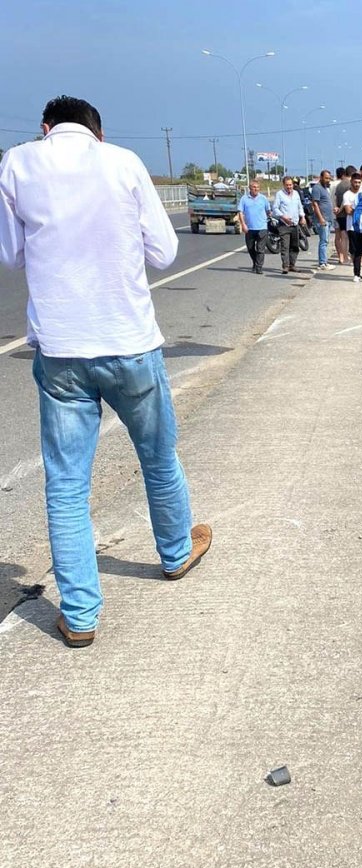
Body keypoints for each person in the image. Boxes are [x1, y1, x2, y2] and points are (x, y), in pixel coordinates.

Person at [0, 95, 212, 648]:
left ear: (46, 129)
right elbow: (164, 253)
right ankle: (173, 553)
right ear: (98, 132)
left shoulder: (18, 163)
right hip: (130, 343)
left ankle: (81, 615)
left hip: (61, 351)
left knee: (66, 485)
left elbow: (11, 253)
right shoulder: (123, 163)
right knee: (158, 457)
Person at [273, 175, 306, 274]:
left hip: (295, 224)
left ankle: (292, 265)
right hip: (284, 225)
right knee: (285, 246)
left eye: (290, 185)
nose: (289, 187)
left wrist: (303, 217)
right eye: (287, 185)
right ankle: (285, 266)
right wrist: (283, 217)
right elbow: (275, 208)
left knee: (294, 246)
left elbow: (300, 206)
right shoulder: (279, 194)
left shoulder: (296, 193)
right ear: (283, 185)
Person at [237, 179, 272, 274]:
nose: (256, 189)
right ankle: (255, 262)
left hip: (262, 227)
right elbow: (240, 212)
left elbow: (268, 210)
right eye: (254, 187)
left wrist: (270, 214)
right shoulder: (244, 199)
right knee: (250, 248)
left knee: (260, 249)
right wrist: (243, 224)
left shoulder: (263, 198)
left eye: (257, 187)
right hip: (250, 228)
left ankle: (259, 267)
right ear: (250, 188)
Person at [310, 169, 335, 269]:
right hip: (322, 220)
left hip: (328, 219)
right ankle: (322, 263)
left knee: (326, 241)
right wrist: (321, 219)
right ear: (321, 177)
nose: (328, 180)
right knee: (323, 241)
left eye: (329, 178)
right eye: (326, 178)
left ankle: (324, 261)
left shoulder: (325, 188)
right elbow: (315, 204)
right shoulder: (317, 188)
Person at [333, 166, 353, 265]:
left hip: (338, 215)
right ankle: (346, 257)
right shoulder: (349, 185)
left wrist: (336, 209)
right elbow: (345, 201)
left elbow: (336, 199)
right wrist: (340, 209)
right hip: (345, 214)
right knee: (346, 237)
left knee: (340, 235)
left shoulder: (339, 185)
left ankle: (342, 257)